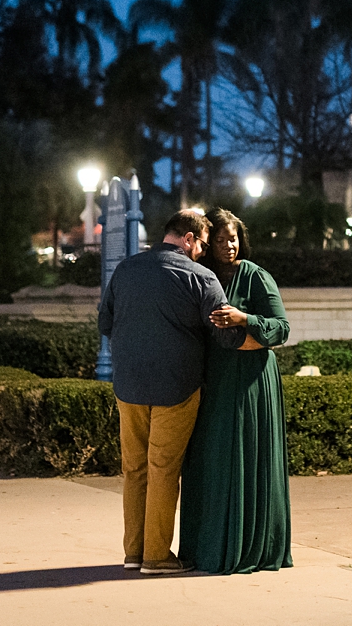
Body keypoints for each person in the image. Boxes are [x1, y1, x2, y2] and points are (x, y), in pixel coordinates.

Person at [97, 209, 242, 576]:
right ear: (190, 239)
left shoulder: (127, 269)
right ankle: (157, 556)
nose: (203, 252)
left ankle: (133, 552)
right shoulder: (201, 276)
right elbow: (224, 332)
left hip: (128, 385)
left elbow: (105, 321)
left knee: (134, 469)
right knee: (163, 469)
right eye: (203, 245)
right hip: (176, 386)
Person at [180, 208, 293, 573]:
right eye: (219, 239)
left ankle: (252, 548)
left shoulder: (256, 276)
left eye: (233, 238)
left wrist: (245, 318)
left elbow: (281, 328)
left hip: (251, 382)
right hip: (213, 381)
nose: (228, 245)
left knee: (248, 459)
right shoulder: (200, 277)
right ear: (206, 243)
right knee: (211, 462)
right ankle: (208, 547)